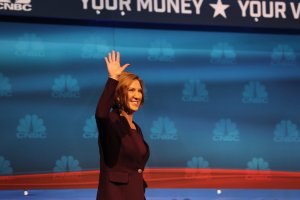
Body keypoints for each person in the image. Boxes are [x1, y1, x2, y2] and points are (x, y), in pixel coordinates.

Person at [95, 50, 150, 200]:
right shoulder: (112, 121)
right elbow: (100, 114)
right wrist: (113, 78)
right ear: (119, 94)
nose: (137, 95)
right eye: (131, 90)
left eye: (139, 91)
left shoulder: (136, 128)